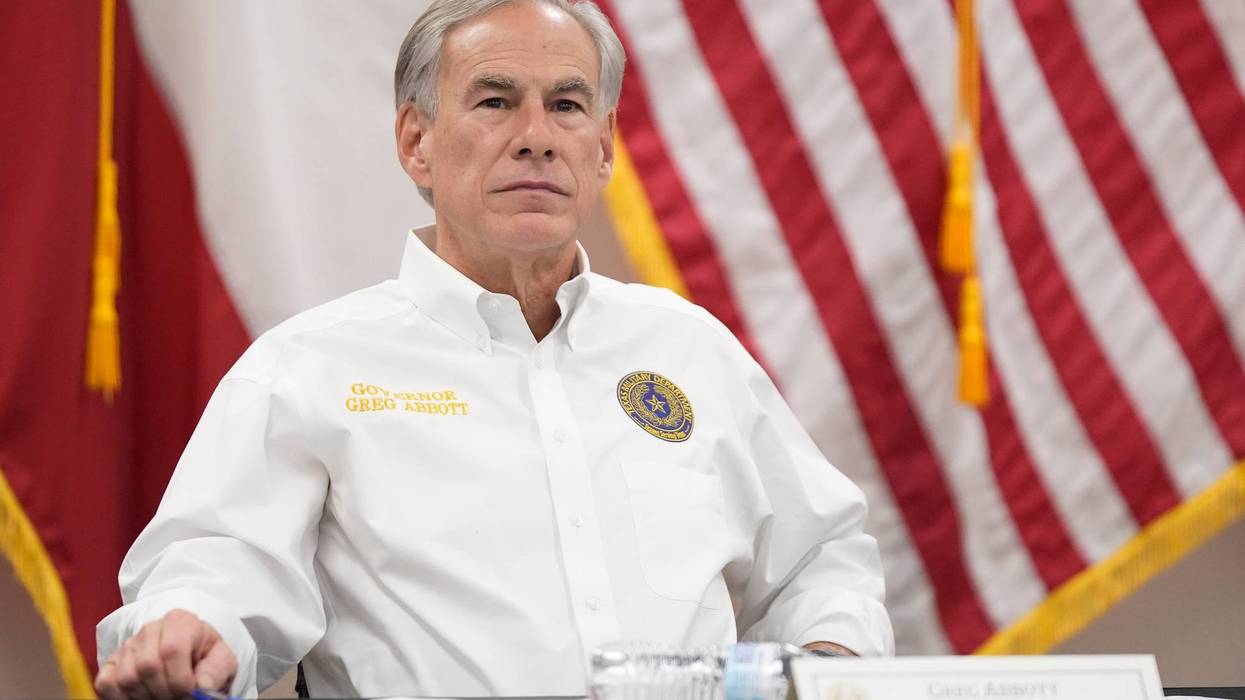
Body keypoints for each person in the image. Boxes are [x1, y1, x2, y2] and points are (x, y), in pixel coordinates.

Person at [94, 0, 894, 697]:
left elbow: (818, 558)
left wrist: (826, 661)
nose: (536, 138)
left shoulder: (691, 352)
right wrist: (189, 629)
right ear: (415, 142)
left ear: (604, 147)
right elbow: (222, 565)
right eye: (494, 101)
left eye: (569, 105)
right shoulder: (309, 368)